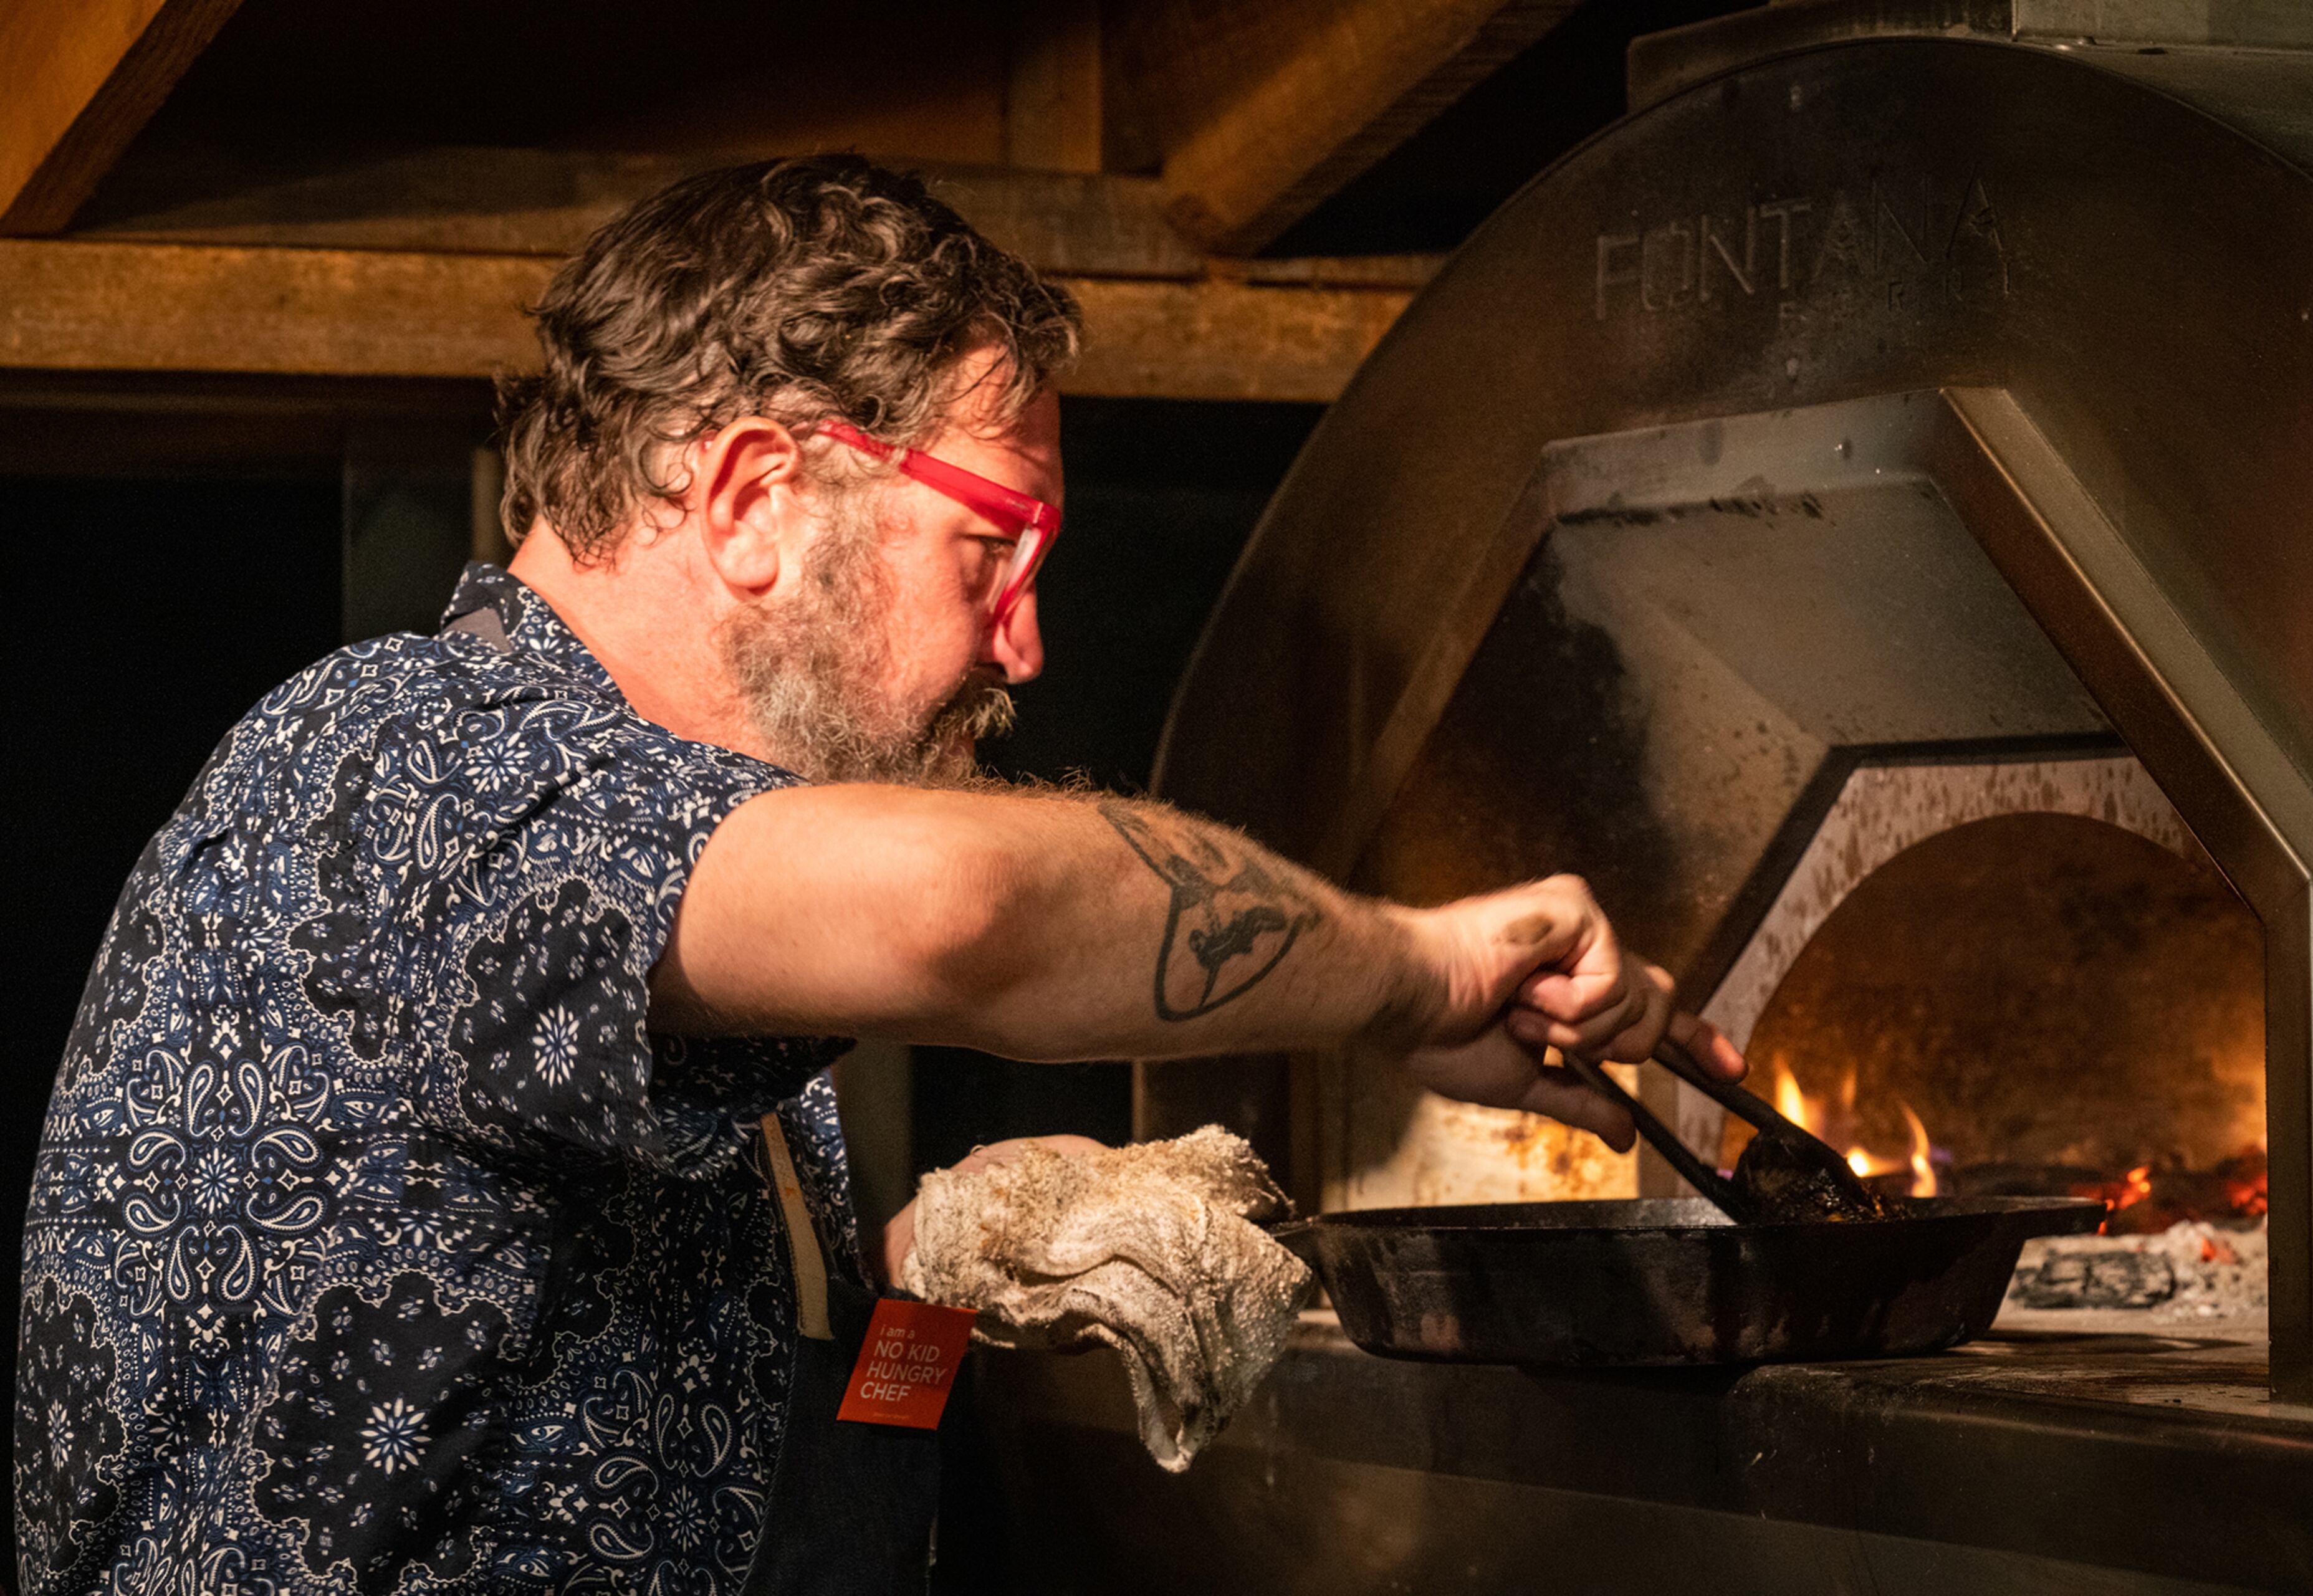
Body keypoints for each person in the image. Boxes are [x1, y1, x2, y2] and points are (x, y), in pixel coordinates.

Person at [15, 156, 1742, 1595]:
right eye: (994, 543)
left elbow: (726, 1427)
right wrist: (1415, 974)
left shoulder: (660, 915)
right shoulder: (413, 768)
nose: (1031, 638)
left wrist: (946, 1268)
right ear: (760, 495)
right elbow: (965, 909)